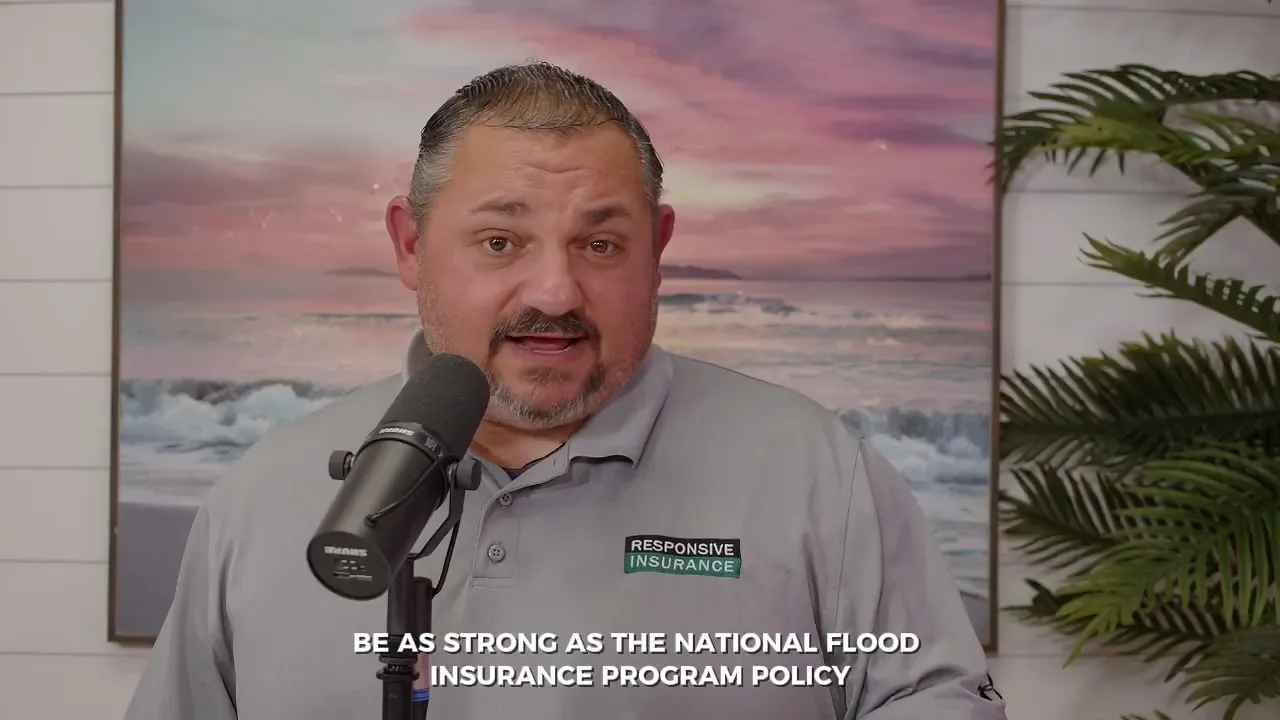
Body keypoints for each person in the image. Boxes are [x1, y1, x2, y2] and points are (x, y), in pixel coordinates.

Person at [123, 62, 1007, 720]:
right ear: (410, 245)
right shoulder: (261, 496)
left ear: (658, 249)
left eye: (601, 244)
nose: (554, 292)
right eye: (500, 242)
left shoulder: (819, 475)